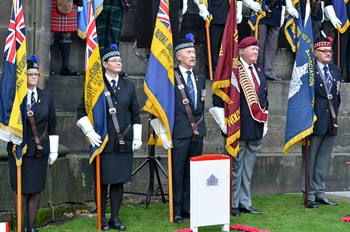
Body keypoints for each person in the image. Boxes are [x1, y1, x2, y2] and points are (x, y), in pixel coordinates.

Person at [76, 45, 142, 231]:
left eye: (119, 59)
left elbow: (135, 113)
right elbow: (82, 110)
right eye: (114, 60)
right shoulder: (95, 84)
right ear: (104, 64)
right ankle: (101, 219)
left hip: (123, 141)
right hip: (103, 140)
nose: (118, 62)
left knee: (118, 180)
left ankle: (115, 218)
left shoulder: (128, 85)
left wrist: (137, 137)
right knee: (102, 181)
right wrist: (89, 132)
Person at [150, 34, 206, 224]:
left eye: (194, 52)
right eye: (189, 52)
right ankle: (176, 210)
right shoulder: (169, 78)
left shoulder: (200, 77)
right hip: (178, 133)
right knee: (178, 173)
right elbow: (156, 106)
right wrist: (161, 132)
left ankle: (188, 207)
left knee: (193, 172)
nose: (193, 55)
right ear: (179, 56)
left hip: (197, 133)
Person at [211, 36, 269, 217]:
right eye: (252, 49)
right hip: (238, 127)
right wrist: (224, 125)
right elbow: (218, 100)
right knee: (235, 169)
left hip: (256, 127)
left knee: (248, 168)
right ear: (242, 51)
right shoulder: (232, 71)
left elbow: (264, 98)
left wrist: (265, 122)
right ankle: (232, 203)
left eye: (257, 50)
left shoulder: (259, 70)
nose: (256, 52)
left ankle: (245, 202)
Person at [7, 55, 59, 232]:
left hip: (39, 152)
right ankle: (20, 228)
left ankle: (31, 227)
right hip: (19, 150)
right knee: (21, 191)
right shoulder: (15, 97)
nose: (34, 77)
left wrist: (53, 150)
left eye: (36, 73)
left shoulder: (46, 96)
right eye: (30, 74)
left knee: (36, 189)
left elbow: (52, 124)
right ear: (24, 76)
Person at [301, 37, 341, 208]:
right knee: (310, 160)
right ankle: (309, 194)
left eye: (330, 51)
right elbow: (303, 99)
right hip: (314, 121)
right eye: (324, 51)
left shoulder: (336, 70)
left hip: (331, 120)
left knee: (323, 159)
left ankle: (320, 192)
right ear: (315, 53)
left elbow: (337, 95)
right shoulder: (309, 71)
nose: (328, 54)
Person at [257, 0, 298, 80]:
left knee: (272, 45)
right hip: (260, 11)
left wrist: (283, 14)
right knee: (260, 44)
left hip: (276, 12)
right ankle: (258, 69)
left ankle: (267, 70)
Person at [51, 0, 81, 76]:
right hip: (49, 3)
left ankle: (65, 67)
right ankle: (48, 66)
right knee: (48, 32)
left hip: (69, 2)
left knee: (67, 32)